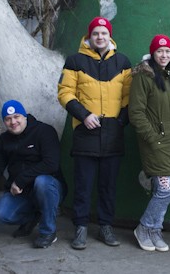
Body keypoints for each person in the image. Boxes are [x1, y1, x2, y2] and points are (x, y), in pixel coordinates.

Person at [57, 16, 132, 250]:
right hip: (85, 133)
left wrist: (120, 122)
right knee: (83, 184)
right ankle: (80, 227)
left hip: (112, 135)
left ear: (110, 36)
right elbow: (65, 93)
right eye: (96, 33)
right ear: (89, 36)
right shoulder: (75, 61)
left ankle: (106, 227)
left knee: (108, 186)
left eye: (104, 33)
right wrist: (84, 115)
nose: (100, 37)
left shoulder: (122, 62)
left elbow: (129, 97)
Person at [129, 34, 170, 252]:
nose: (163, 55)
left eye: (167, 52)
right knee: (167, 190)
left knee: (161, 190)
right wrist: (153, 137)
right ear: (152, 54)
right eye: (159, 51)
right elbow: (136, 112)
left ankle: (155, 230)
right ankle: (144, 228)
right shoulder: (143, 77)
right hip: (155, 144)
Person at [0, 100, 66, 249]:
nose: (13, 122)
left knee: (42, 182)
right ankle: (34, 216)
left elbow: (51, 164)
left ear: (25, 116)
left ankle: (48, 232)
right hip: (21, 193)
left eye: (17, 117)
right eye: (8, 119)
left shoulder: (44, 131)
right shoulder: (4, 140)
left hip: (49, 187)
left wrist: (21, 180)